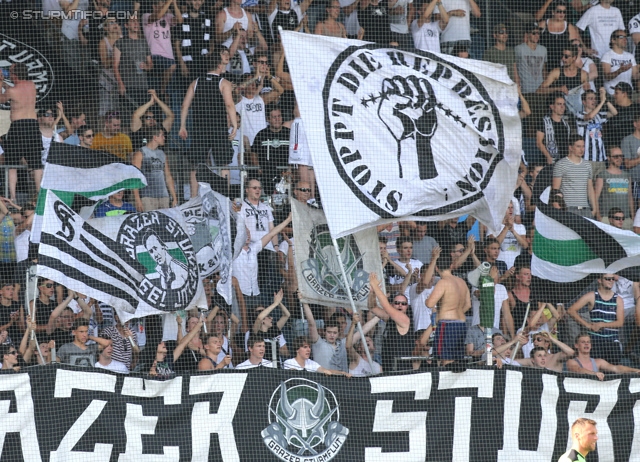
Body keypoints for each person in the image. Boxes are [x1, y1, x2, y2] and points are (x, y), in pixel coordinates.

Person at [179, 45, 237, 198]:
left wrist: (182, 126)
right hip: (218, 130)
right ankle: (225, 198)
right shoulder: (224, 83)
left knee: (196, 165)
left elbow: (185, 105)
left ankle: (193, 198)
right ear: (219, 65)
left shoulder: (196, 82)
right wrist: (235, 124)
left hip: (200, 130)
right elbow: (229, 104)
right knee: (223, 164)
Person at [0, 63, 43, 203]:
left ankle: (12, 197)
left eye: (10, 72)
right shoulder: (31, 85)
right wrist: (5, 84)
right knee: (36, 164)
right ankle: (39, 194)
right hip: (32, 126)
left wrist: (0, 82)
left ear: (14, 75)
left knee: (12, 163)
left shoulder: (12, 91)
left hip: (18, 127)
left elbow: (2, 98)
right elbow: (15, 90)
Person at [425, 251, 471, 365]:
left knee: (446, 360)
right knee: (457, 361)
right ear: (451, 266)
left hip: (447, 324)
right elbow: (468, 305)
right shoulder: (462, 282)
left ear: (436, 268)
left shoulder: (443, 282)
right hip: (461, 324)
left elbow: (430, 304)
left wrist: (427, 300)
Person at [567, 274, 624, 364]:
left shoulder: (618, 299)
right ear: (599, 280)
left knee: (613, 371)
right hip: (595, 341)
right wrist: (587, 325)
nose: (611, 281)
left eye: (613, 279)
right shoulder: (592, 295)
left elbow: (620, 322)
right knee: (595, 371)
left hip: (612, 340)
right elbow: (571, 310)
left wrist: (602, 325)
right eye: (608, 279)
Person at [369, 273, 416, 371]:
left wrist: (375, 286)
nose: (400, 305)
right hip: (388, 366)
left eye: (403, 304)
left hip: (401, 369)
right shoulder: (389, 318)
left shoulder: (404, 320)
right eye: (397, 303)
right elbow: (372, 307)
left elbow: (386, 306)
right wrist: (372, 292)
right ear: (393, 304)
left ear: (407, 307)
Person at [131, 127, 178, 211]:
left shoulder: (162, 154)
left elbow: (168, 176)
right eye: (162, 135)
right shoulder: (140, 153)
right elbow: (134, 177)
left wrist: (174, 197)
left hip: (164, 196)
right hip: (147, 197)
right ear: (155, 137)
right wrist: (137, 199)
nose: (164, 138)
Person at [552, 134, 598, 218]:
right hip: (569, 209)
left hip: (585, 209)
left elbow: (590, 188)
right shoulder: (561, 164)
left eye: (583, 146)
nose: (581, 149)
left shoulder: (587, 165)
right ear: (571, 148)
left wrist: (594, 209)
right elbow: (555, 190)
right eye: (578, 146)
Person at [114, 13, 153, 108]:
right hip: (127, 86)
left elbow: (150, 64)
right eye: (132, 21)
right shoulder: (120, 42)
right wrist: (120, 84)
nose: (136, 23)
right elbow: (115, 66)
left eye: (137, 21)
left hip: (143, 86)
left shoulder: (143, 42)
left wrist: (147, 67)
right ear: (126, 25)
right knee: (128, 116)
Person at [576, 88, 617, 174]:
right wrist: (601, 102)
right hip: (586, 158)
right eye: (590, 99)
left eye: (595, 98)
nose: (594, 101)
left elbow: (614, 112)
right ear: (584, 102)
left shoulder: (599, 116)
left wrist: (605, 99)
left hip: (601, 158)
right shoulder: (579, 114)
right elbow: (590, 116)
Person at [566, 333, 640, 380]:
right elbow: (578, 370)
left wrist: (635, 370)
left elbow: (616, 368)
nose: (586, 344)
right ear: (576, 345)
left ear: (591, 345)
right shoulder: (572, 361)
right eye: (583, 342)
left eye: (588, 342)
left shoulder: (598, 362)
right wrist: (594, 374)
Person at [536, 0, 583, 70]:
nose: (561, 14)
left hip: (562, 62)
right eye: (559, 11)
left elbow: (575, 47)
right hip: (544, 62)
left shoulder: (569, 27)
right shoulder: (544, 24)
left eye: (564, 12)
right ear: (553, 12)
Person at [251, 105, 290, 190]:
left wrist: (291, 170)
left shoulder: (289, 134)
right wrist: (258, 167)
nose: (277, 119)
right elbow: (253, 153)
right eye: (274, 117)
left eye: (279, 116)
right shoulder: (261, 134)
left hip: (286, 173)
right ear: (268, 119)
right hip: (266, 175)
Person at [595, 148, 634, 227]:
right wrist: (598, 215)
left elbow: (630, 196)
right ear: (609, 158)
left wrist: (633, 216)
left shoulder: (627, 175)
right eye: (616, 156)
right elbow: (596, 196)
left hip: (625, 218)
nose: (619, 159)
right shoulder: (602, 175)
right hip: (607, 218)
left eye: (621, 156)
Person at [246, 289, 290, 358]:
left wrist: (279, 302)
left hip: (276, 365)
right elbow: (259, 318)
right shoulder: (254, 332)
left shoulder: (274, 330)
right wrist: (275, 304)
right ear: (262, 320)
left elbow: (287, 315)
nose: (271, 318)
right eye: (268, 316)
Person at [536, 93, 574, 165]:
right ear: (552, 106)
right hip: (550, 161)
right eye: (559, 104)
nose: (562, 107)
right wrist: (548, 156)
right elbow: (539, 143)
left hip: (564, 161)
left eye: (563, 104)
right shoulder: (544, 122)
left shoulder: (566, 124)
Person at [283, 336, 350, 375]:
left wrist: (342, 373)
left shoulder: (311, 363)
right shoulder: (288, 362)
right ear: (297, 350)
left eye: (309, 347)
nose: (308, 350)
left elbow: (326, 370)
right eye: (305, 347)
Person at [601, 29, 638, 95]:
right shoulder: (607, 56)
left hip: (628, 93)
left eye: (625, 37)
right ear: (613, 40)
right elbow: (607, 76)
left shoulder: (630, 56)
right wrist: (620, 70)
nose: (625, 39)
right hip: (612, 93)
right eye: (621, 37)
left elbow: (635, 76)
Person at [515, 24, 548, 97]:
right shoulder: (519, 49)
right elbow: (515, 67)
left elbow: (544, 69)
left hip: (540, 89)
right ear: (527, 34)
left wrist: (545, 86)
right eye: (533, 33)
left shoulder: (543, 49)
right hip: (525, 89)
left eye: (538, 33)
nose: (536, 35)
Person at [346, 311, 382, 376]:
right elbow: (348, 346)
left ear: (374, 348)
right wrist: (353, 324)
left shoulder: (378, 367)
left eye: (370, 340)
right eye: (365, 341)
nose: (367, 341)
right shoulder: (356, 359)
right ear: (359, 348)